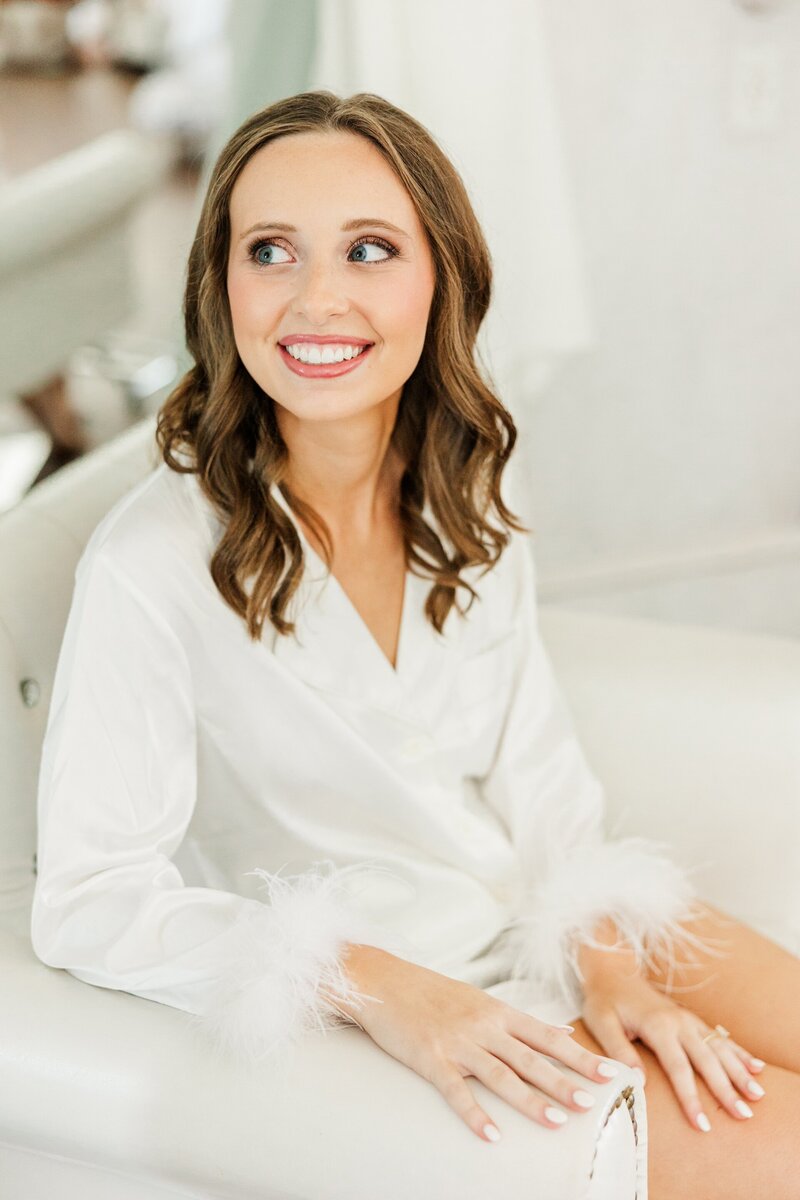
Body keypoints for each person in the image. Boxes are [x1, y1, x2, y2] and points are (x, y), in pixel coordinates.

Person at [30, 91, 800, 1196]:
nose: (315, 298)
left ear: (441, 277)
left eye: (369, 249)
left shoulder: (460, 495)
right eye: (270, 251)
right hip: (430, 1000)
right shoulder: (149, 564)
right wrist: (376, 982)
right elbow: (90, 899)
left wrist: (612, 973)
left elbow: (543, 785)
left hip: (552, 924)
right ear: (220, 285)